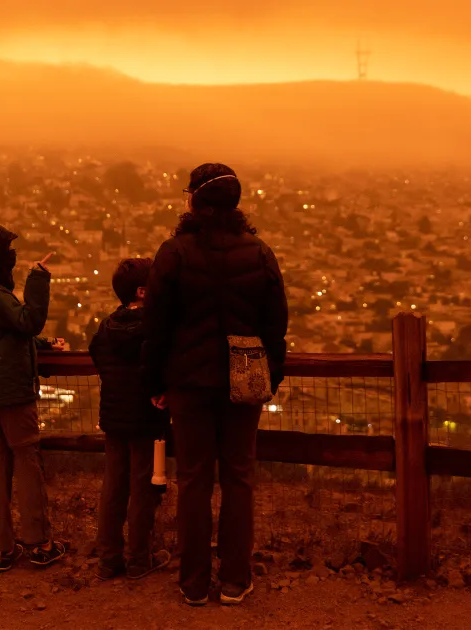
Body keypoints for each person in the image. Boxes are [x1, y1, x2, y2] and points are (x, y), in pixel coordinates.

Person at [142, 163, 289, 606]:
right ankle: (235, 578)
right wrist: (270, 376)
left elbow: (156, 326)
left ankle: (193, 581)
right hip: (245, 379)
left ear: (194, 200)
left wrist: (156, 381)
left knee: (194, 480)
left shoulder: (174, 253)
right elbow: (275, 325)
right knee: (239, 477)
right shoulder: (259, 253)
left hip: (188, 381)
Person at [0, 222, 69, 573]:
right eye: (6, 250)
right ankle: (39, 542)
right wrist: (38, 279)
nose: (12, 256)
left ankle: (1, 548)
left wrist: (42, 347)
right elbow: (28, 321)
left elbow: (1, 335)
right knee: (26, 460)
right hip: (10, 389)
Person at [89, 257, 173, 580]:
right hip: (147, 419)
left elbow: (99, 359)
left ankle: (108, 558)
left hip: (113, 417)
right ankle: (139, 559)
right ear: (142, 291)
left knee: (113, 487)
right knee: (142, 490)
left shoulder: (105, 328)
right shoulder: (155, 329)